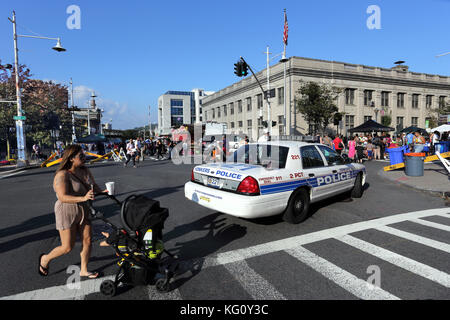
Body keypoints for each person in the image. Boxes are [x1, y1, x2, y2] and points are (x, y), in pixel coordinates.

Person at [38, 145, 107, 278]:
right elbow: (62, 197)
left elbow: (93, 185)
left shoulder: (85, 170)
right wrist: (83, 197)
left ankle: (84, 270)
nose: (84, 157)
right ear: (71, 159)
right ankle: (45, 259)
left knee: (87, 239)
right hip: (66, 211)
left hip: (84, 209)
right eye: (81, 156)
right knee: (67, 247)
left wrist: (102, 192)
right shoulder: (62, 175)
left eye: (84, 154)